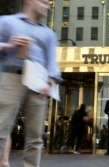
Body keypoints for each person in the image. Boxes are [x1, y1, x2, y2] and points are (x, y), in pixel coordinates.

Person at [0, 0, 62, 166]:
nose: (46, 6)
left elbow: (52, 62)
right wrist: (8, 45)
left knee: (35, 137)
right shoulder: (6, 22)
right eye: (42, 2)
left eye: (47, 3)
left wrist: (50, 81)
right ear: (29, 1)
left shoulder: (49, 33)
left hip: (38, 84)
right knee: (1, 129)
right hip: (11, 78)